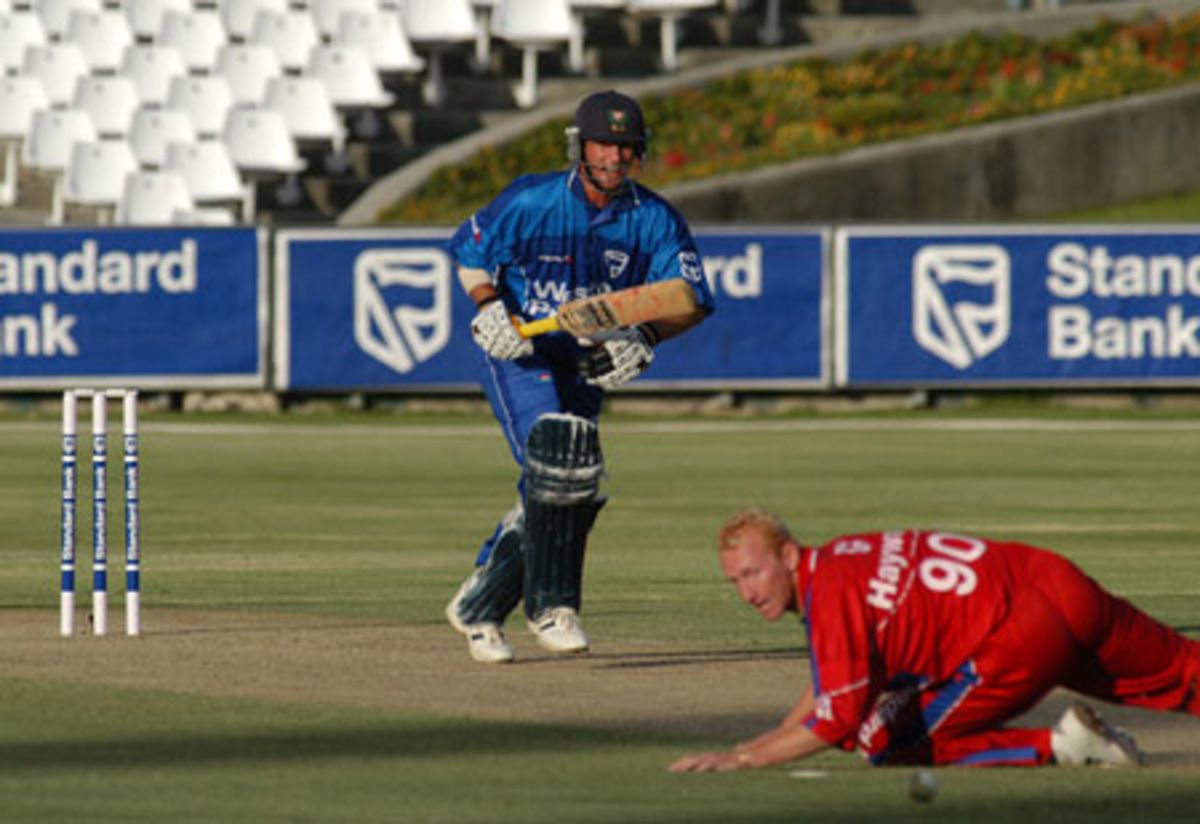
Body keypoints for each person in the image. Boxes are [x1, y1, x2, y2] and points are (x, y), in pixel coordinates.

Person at [444, 90, 715, 664]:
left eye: (625, 147)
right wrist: (489, 306)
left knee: (570, 479)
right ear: (579, 146)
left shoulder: (654, 219)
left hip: (587, 358)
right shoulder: (533, 200)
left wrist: (646, 337)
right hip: (520, 348)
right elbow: (469, 251)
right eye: (602, 146)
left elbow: (689, 299)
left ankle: (481, 603)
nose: (614, 158)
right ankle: (552, 607)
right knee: (558, 458)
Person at [670, 509, 1200, 772]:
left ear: (788, 556)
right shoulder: (841, 558)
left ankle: (1061, 745)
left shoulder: (828, 597)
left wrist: (742, 759)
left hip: (1017, 639)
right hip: (1053, 579)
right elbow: (832, 684)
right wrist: (760, 742)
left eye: (752, 573)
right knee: (1185, 670)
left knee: (880, 740)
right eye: (735, 581)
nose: (746, 593)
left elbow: (838, 720)